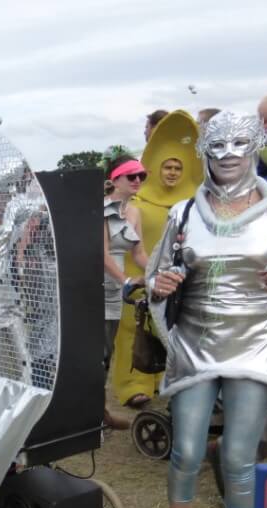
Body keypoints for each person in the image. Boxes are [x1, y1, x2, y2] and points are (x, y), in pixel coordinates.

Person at [147, 111, 267, 508]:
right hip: (195, 341)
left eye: (239, 143)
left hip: (255, 342)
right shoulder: (184, 213)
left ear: (255, 146)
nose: (228, 154)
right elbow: (156, 277)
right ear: (204, 151)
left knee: (237, 454)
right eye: (217, 144)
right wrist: (162, 284)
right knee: (187, 450)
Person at [112, 111, 203, 408]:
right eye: (167, 166)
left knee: (169, 327)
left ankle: (164, 379)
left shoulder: (192, 206)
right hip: (137, 273)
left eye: (178, 167)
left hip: (173, 277)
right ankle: (132, 384)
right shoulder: (136, 204)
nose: (173, 172)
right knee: (133, 327)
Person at [101, 150, 149, 425]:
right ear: (116, 179)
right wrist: (126, 280)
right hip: (97, 284)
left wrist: (157, 273)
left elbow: (138, 253)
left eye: (141, 175)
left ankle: (99, 412)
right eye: (131, 176)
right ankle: (96, 413)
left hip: (117, 288)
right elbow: (102, 253)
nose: (138, 180)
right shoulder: (101, 209)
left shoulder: (134, 212)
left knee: (107, 349)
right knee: (97, 351)